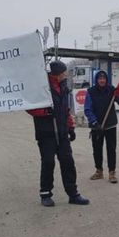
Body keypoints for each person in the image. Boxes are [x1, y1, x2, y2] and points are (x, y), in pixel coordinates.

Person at [26, 60, 90, 207]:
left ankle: (73, 194)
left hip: (61, 132)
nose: (65, 74)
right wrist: (45, 111)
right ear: (56, 74)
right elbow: (30, 107)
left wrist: (71, 127)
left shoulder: (64, 86)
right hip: (46, 132)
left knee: (68, 162)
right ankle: (45, 194)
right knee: (48, 162)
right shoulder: (42, 87)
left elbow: (66, 109)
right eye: (63, 72)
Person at [84, 70, 119, 184]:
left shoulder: (112, 90)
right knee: (97, 149)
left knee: (111, 150)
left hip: (110, 125)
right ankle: (99, 171)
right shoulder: (90, 92)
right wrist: (93, 122)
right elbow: (87, 109)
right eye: (99, 78)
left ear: (107, 80)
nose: (102, 80)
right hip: (97, 126)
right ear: (96, 80)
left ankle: (112, 173)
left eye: (104, 78)